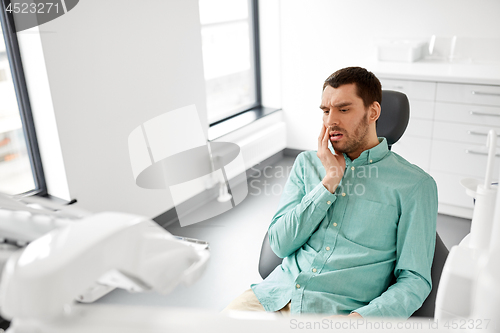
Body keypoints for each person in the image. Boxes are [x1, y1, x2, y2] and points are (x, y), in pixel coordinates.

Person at [223, 66, 438, 318]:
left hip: (338, 315)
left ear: (373, 112)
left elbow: (414, 280)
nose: (330, 121)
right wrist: (328, 183)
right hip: (274, 297)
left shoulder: (415, 185)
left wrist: (361, 320)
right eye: (326, 111)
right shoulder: (306, 163)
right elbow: (279, 245)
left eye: (343, 109)